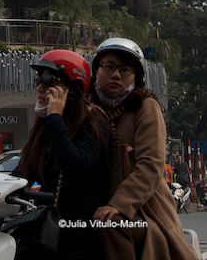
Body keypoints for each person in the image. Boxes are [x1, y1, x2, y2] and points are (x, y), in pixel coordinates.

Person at [90, 37, 196, 260]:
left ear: (135, 77)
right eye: (108, 66)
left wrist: (119, 205)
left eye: (125, 69)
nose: (116, 74)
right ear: (96, 70)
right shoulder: (87, 109)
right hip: (93, 202)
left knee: (110, 225)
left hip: (143, 209)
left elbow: (151, 165)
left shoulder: (144, 106)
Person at [16, 49, 109, 260]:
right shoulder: (46, 125)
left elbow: (75, 167)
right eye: (38, 80)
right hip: (47, 226)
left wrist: (55, 118)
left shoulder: (93, 125)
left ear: (72, 89)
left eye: (48, 81)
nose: (40, 87)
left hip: (78, 231)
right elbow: (24, 169)